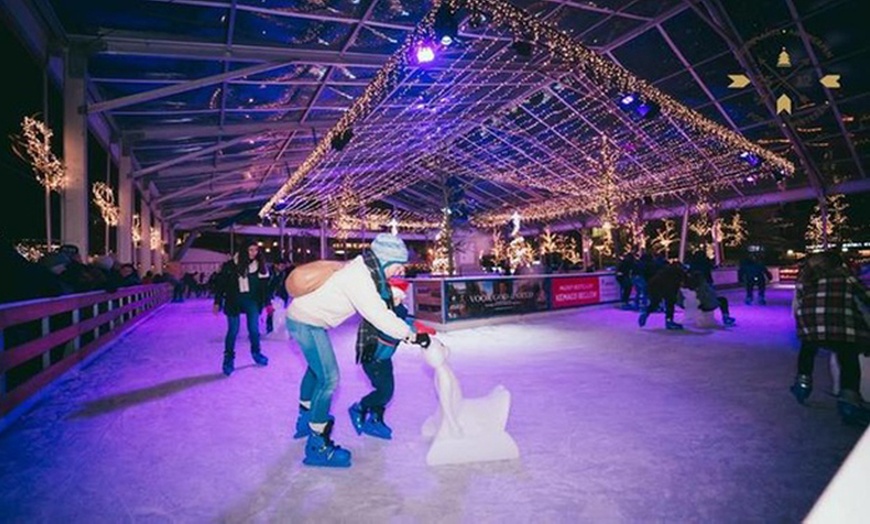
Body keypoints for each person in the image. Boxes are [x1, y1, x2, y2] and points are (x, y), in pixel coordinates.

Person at [286, 233, 431, 468]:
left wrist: (393, 295)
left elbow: (374, 294)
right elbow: (377, 314)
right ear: (385, 261)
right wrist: (411, 334)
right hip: (306, 323)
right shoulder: (359, 277)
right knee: (329, 379)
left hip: (305, 320)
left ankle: (305, 419)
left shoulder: (363, 269)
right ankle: (317, 445)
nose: (399, 272)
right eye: (397, 266)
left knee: (316, 371)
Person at [348, 277, 436, 440]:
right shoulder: (380, 313)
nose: (399, 300)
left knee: (386, 390)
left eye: (401, 297)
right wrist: (413, 337)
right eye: (395, 297)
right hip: (373, 358)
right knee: (384, 392)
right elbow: (392, 330)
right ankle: (359, 408)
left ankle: (375, 420)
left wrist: (421, 328)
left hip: (385, 359)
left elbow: (406, 323)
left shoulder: (400, 310)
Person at [789, 251, 870, 427]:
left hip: (810, 323)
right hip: (842, 326)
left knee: (807, 349)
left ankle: (803, 383)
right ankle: (849, 401)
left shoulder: (806, 280)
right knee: (848, 359)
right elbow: (865, 297)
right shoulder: (847, 277)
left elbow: (798, 303)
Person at [213, 242, 271, 376]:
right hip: (234, 300)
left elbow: (264, 288)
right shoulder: (231, 265)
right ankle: (228, 359)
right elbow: (221, 285)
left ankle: (256, 353)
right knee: (233, 330)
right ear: (244, 250)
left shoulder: (259, 266)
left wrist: (267, 303)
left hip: (252, 301)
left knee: (254, 329)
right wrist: (217, 302)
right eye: (251, 250)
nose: (254, 253)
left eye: (256, 250)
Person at [638, 261, 686, 330]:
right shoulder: (678, 272)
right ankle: (669, 321)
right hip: (666, 288)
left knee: (655, 303)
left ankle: (646, 313)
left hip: (654, 286)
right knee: (670, 304)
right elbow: (677, 285)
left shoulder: (665, 270)